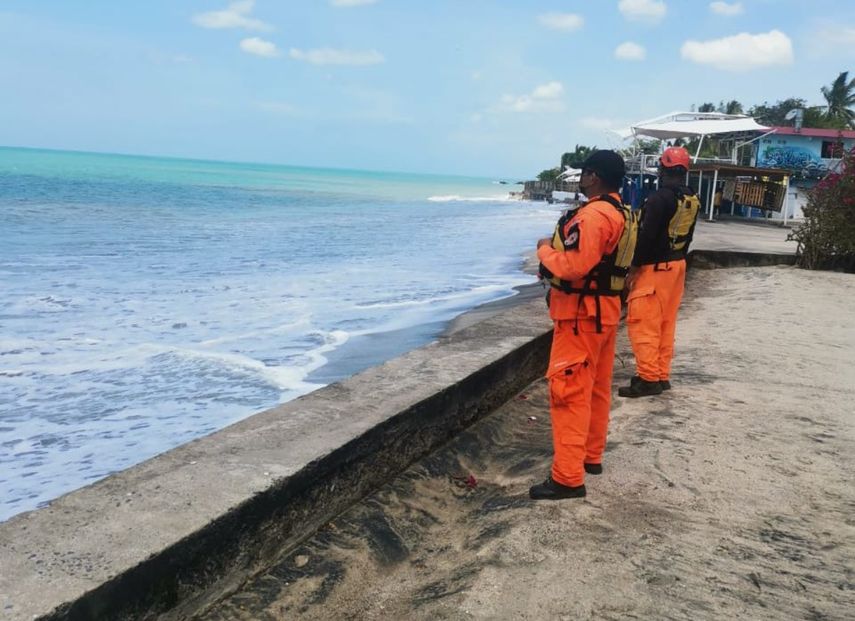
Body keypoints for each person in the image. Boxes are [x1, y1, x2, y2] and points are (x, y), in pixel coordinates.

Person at [531, 150, 637, 500]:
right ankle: (591, 456)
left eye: (584, 174)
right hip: (604, 311)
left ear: (593, 176)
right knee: (596, 388)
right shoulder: (623, 212)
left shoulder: (593, 216)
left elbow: (575, 266)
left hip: (579, 315)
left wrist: (544, 251)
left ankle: (567, 478)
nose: (581, 179)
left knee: (569, 392)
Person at [618, 146, 700, 398]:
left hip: (655, 270)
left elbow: (645, 237)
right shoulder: (691, 199)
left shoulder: (658, 199)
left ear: (662, 169)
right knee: (665, 324)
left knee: (643, 323)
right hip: (677, 268)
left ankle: (648, 379)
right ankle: (660, 374)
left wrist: (631, 268)